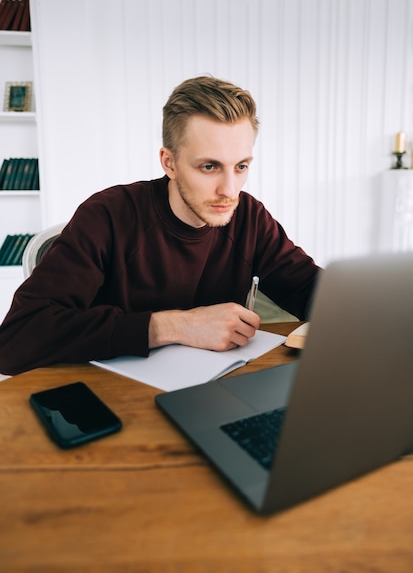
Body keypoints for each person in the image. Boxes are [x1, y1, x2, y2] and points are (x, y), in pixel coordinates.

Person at [0, 76, 321, 375]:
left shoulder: (249, 215)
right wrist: (173, 326)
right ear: (169, 162)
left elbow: (310, 290)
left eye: (240, 166)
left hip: (216, 393)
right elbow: (16, 339)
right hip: (115, 399)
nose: (230, 189)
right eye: (209, 166)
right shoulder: (107, 215)